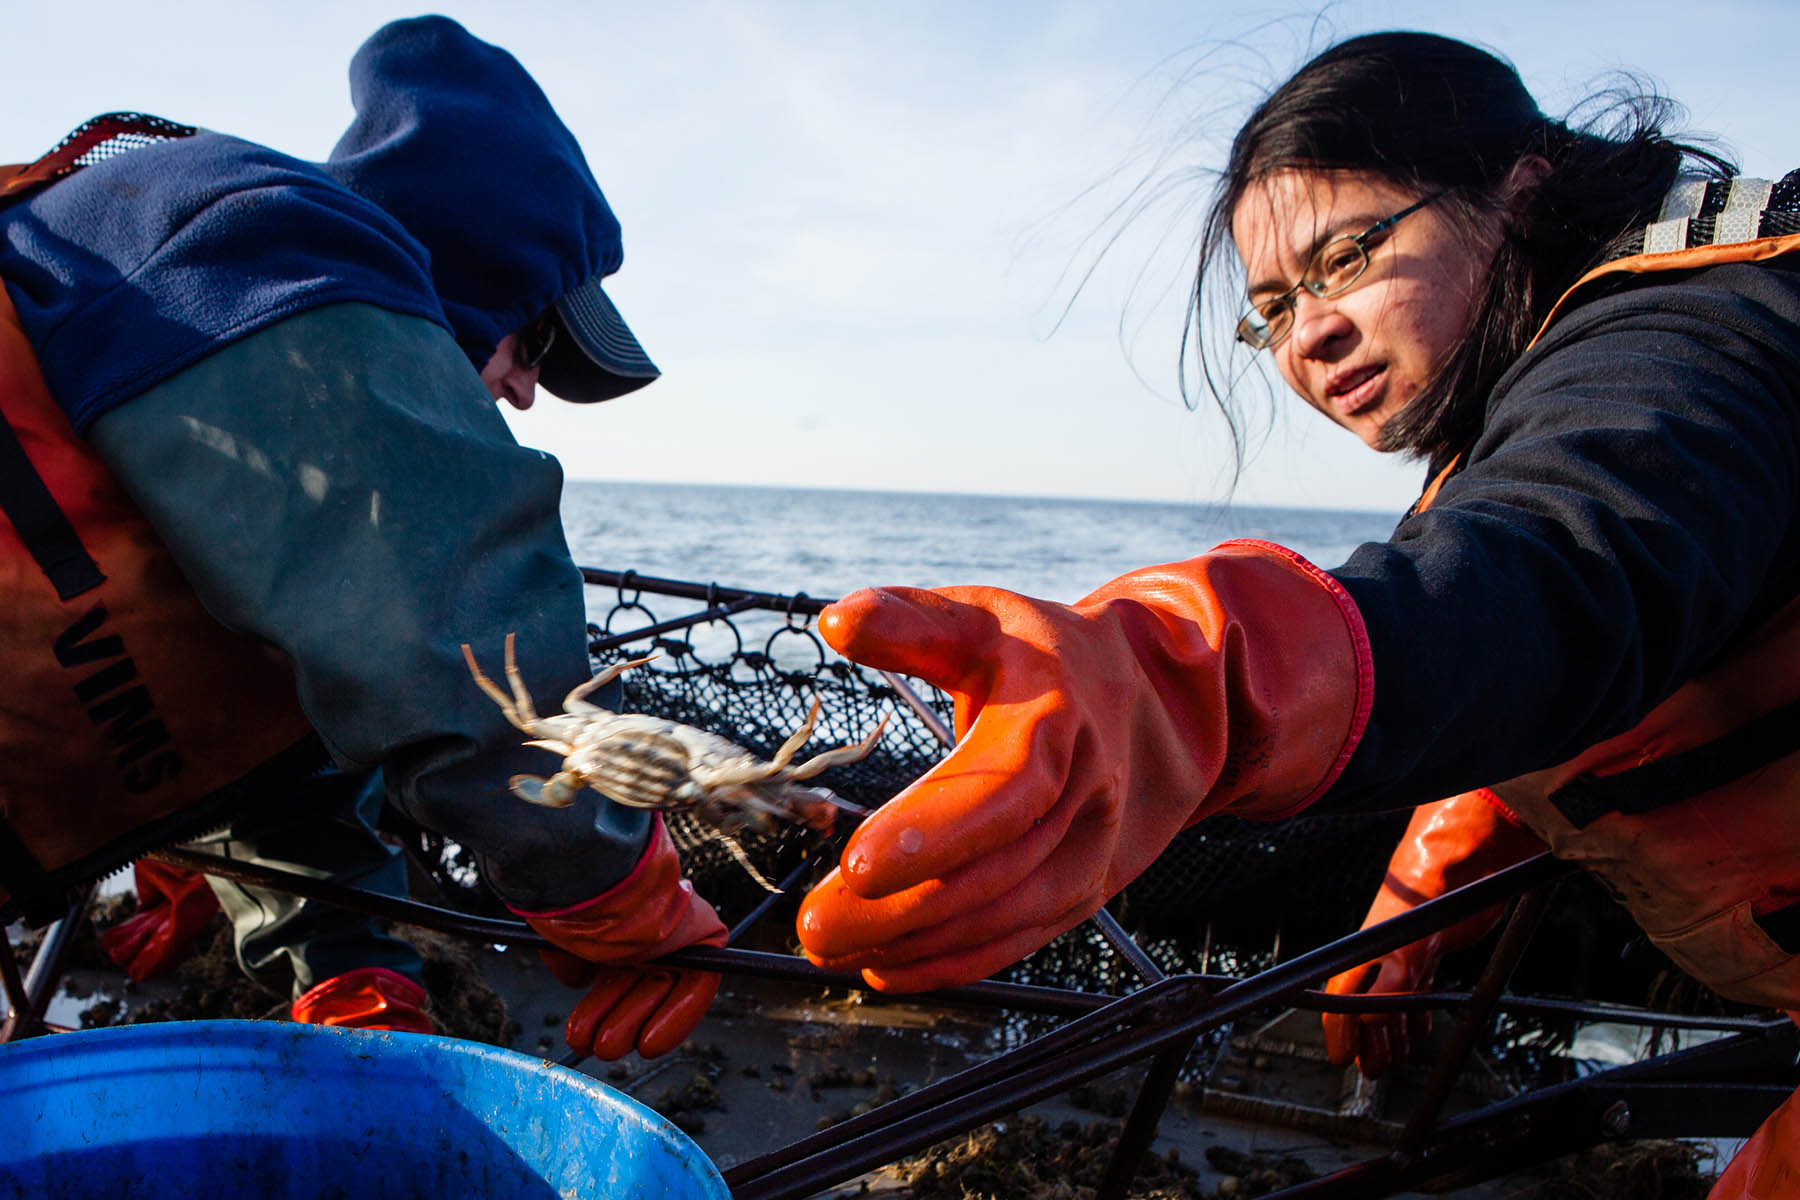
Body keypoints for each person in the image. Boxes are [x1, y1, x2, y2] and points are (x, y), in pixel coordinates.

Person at [792, 31, 1800, 1194]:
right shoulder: (1544, 390)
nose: (1309, 332)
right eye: (1272, 308)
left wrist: (1185, 675)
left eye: (1348, 257)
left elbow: (1572, 566)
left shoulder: (1700, 334)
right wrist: (1433, 881)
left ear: (1518, 190)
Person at [0, 16, 723, 1060]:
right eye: (538, 341)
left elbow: (267, 760)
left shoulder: (258, 457)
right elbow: (442, 615)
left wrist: (347, 968)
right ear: (464, 269)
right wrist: (609, 874)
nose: (525, 389)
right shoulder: (263, 238)